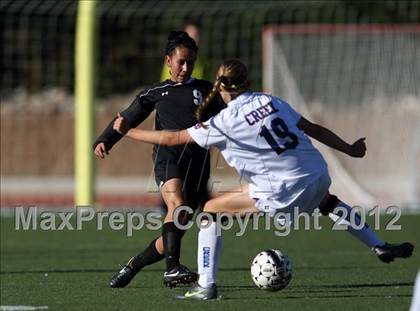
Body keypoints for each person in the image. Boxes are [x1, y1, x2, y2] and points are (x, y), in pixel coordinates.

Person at [113, 59, 414, 300]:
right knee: (326, 201)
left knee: (210, 212)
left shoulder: (223, 121)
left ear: (220, 88)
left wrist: (126, 131)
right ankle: (378, 244)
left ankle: (206, 286)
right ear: (248, 82)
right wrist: (350, 148)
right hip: (319, 175)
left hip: (282, 189)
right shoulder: (273, 102)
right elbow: (315, 130)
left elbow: (172, 137)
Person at [93, 31, 225, 289]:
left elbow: (232, 118)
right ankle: (173, 269)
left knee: (175, 230)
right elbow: (127, 118)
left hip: (198, 167)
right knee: (176, 207)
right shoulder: (156, 92)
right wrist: (105, 139)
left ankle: (133, 265)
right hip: (168, 158)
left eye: (190, 62)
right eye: (181, 62)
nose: (185, 68)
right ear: (168, 61)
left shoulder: (207, 91)